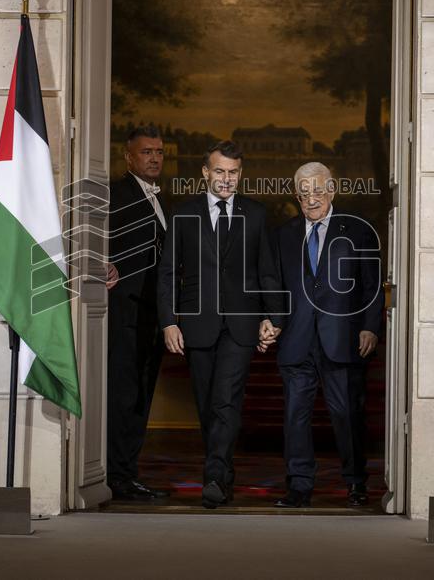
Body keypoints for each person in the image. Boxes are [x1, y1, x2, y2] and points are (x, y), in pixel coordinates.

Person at [157, 140, 282, 509]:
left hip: (242, 327)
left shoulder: (257, 215)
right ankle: (224, 474)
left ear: (240, 174)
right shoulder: (184, 214)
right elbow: (167, 274)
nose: (227, 179)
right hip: (197, 326)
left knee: (226, 401)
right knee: (207, 404)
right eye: (220, 172)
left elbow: (269, 273)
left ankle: (212, 477)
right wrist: (169, 322)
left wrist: (274, 318)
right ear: (205, 173)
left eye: (233, 172)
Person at [264, 162, 383, 508]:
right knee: (295, 417)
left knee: (347, 415)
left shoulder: (358, 230)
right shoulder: (283, 234)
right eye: (304, 191)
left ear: (332, 191)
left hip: (344, 339)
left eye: (318, 189)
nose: (311, 197)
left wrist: (369, 326)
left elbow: (372, 286)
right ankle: (299, 486)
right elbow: (275, 287)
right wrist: (270, 321)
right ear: (296, 194)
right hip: (296, 340)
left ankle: (356, 483)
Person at [105, 126, 171, 501]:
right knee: (123, 396)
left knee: (141, 396)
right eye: (147, 152)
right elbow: (91, 240)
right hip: (124, 315)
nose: (155, 158)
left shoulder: (161, 199)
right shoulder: (115, 194)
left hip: (152, 318)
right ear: (128, 157)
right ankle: (116, 475)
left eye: (159, 152)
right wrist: (102, 261)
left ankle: (128, 471)